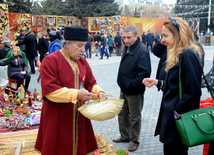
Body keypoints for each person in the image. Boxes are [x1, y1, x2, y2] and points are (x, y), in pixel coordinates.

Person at [35, 26, 107, 155]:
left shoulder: (83, 61)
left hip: (79, 115)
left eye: (84, 46)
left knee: (79, 148)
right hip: (57, 116)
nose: (83, 50)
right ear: (68, 44)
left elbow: (91, 82)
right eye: (80, 46)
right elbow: (50, 92)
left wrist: (99, 92)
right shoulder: (50, 61)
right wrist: (77, 94)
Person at [142, 17, 202, 155]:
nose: (162, 40)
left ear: (177, 35)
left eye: (165, 36)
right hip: (171, 119)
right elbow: (178, 85)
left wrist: (177, 111)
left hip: (177, 120)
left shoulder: (187, 54)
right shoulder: (179, 53)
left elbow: (193, 91)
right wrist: (159, 82)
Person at [113, 26, 151, 152]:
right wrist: (121, 83)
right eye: (124, 37)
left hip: (134, 90)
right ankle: (125, 136)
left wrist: (130, 85)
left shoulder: (142, 51)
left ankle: (134, 140)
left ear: (136, 36)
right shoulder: (128, 47)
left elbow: (144, 74)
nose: (126, 40)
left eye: (129, 37)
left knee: (135, 117)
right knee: (122, 114)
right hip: (124, 89)